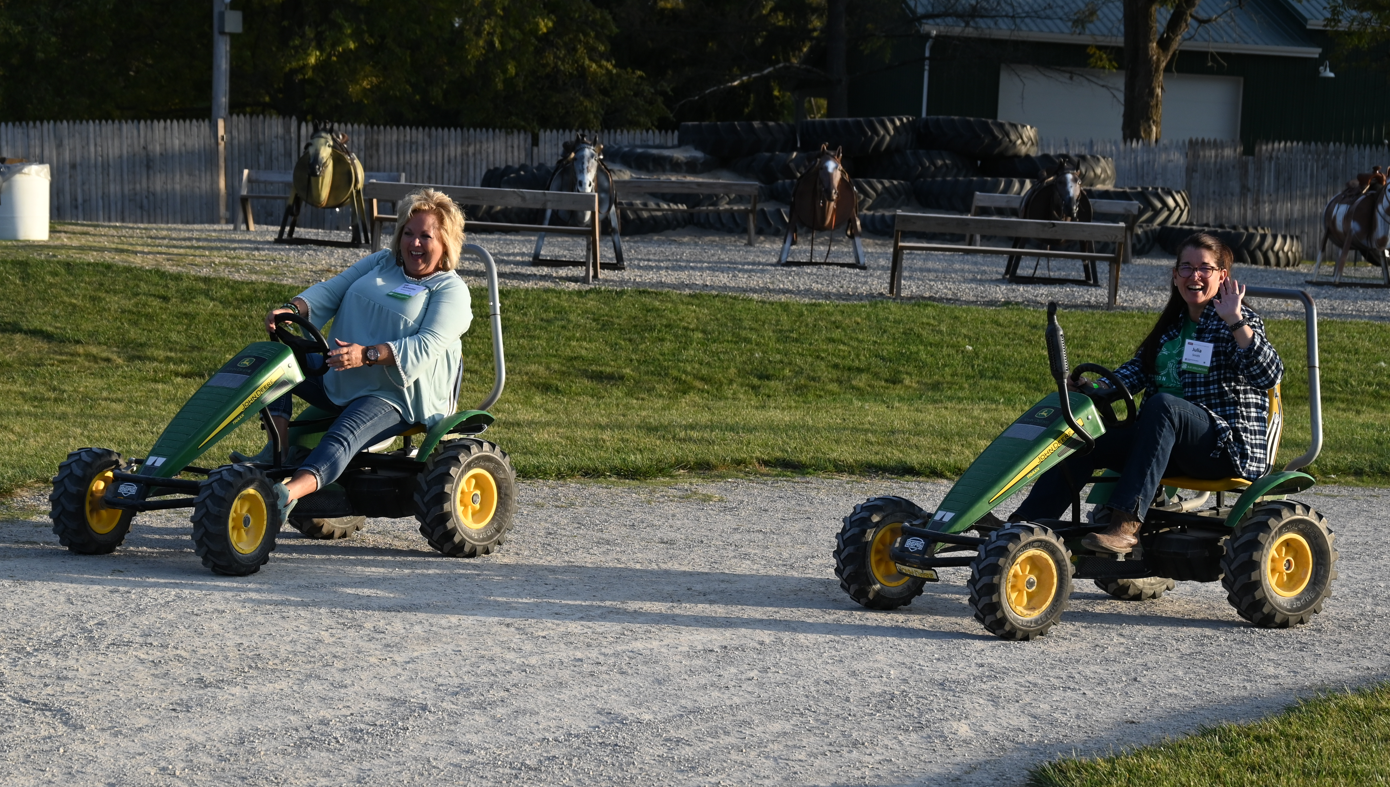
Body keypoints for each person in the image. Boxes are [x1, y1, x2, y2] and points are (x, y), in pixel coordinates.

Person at [998, 232, 1284, 553]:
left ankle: (1125, 525)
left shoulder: (1237, 323)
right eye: (1186, 268)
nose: (1195, 276)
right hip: (1164, 445)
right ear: (1175, 276)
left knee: (1165, 406)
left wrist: (1235, 318)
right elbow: (1133, 374)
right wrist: (1094, 388)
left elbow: (1269, 374)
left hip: (1223, 447)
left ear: (1222, 276)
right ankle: (1024, 526)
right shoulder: (1171, 327)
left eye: (1205, 268)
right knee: (1084, 439)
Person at [253, 188, 472, 521]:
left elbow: (424, 346)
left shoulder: (450, 290)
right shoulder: (382, 262)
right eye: (408, 234)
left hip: (398, 392)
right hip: (343, 369)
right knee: (275, 360)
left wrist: (366, 355)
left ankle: (283, 495)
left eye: (425, 237)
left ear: (445, 244)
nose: (414, 244)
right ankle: (279, 456)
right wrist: (291, 308)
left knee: (342, 435)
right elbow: (333, 289)